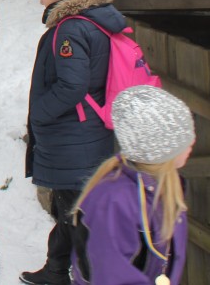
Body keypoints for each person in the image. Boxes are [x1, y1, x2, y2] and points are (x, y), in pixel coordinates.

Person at [20, 0, 121, 285]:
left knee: (78, 215)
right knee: (71, 209)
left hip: (73, 135)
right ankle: (56, 269)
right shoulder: (93, 19)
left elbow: (73, 85)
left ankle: (93, 278)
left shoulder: (72, 29)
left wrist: (41, 114)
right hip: (87, 131)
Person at [72, 86, 194, 284]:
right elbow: (110, 276)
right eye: (184, 136)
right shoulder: (113, 202)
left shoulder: (164, 185)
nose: (193, 141)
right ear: (160, 148)